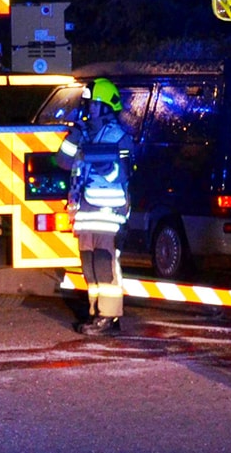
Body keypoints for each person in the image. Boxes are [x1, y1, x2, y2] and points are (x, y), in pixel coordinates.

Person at [56, 77, 134, 336]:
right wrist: (75, 136)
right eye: (87, 104)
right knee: (89, 266)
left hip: (108, 213)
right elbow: (63, 162)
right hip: (85, 212)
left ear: (106, 106)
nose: (88, 108)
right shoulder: (85, 135)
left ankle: (109, 317)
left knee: (104, 264)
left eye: (93, 104)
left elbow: (125, 174)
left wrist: (105, 166)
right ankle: (96, 313)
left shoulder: (119, 137)